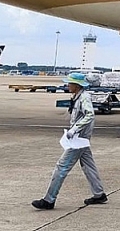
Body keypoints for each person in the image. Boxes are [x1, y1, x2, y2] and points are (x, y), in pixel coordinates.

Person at [32, 72, 108, 209]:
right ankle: (99, 194)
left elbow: (90, 114)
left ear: (77, 85)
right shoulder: (78, 97)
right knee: (88, 166)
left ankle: (49, 200)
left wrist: (75, 129)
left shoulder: (84, 97)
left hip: (78, 141)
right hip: (81, 140)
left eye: (70, 83)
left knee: (61, 167)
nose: (68, 85)